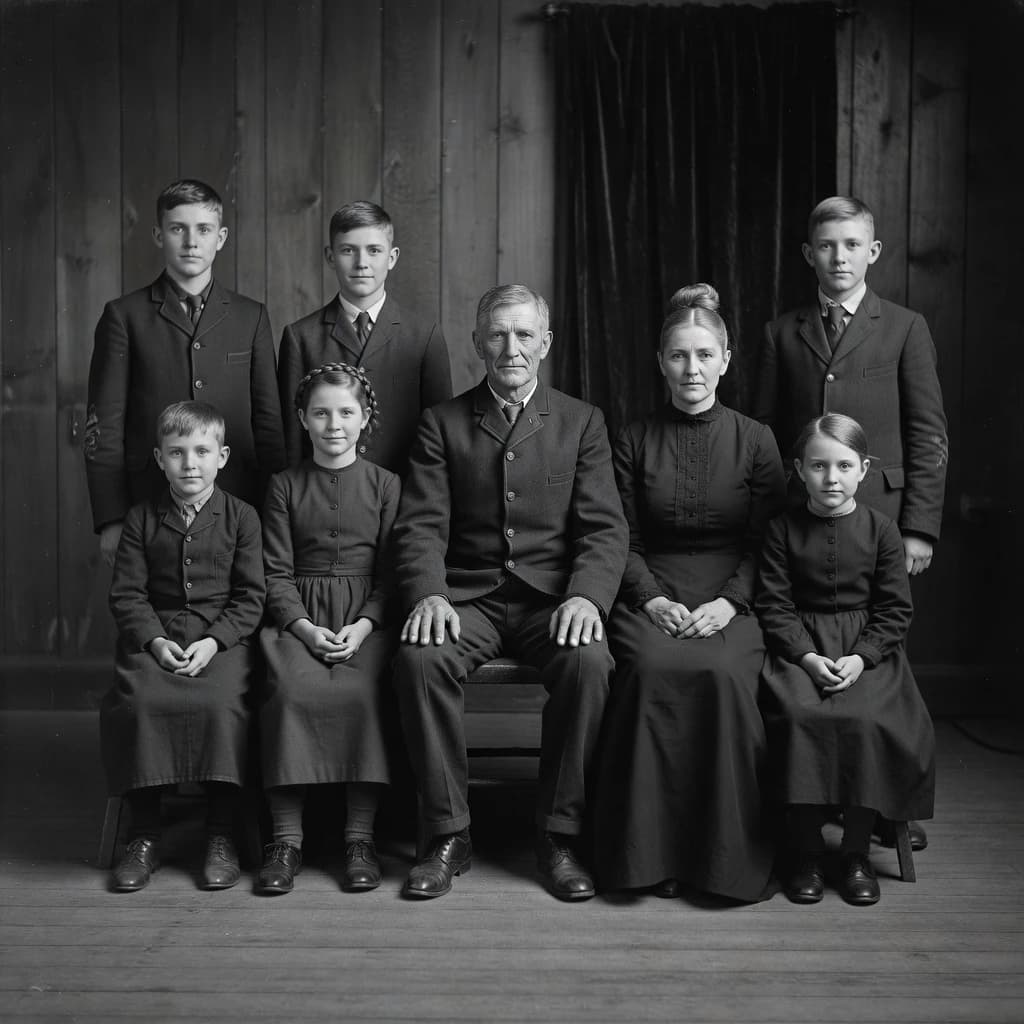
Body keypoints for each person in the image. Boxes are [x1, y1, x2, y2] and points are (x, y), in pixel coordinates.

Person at [391, 284, 627, 901]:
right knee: (419, 659)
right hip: (467, 598)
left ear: (545, 343)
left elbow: (604, 528)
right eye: (497, 334)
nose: (511, 348)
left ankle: (558, 833)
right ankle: (449, 832)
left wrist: (588, 598)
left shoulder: (582, 421)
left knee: (590, 660)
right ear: (477, 343)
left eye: (524, 335)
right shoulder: (441, 423)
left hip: (551, 599)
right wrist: (428, 594)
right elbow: (419, 525)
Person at [753, 195, 946, 851]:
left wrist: (918, 526)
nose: (839, 257)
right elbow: (766, 432)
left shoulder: (903, 328)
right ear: (810, 253)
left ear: (874, 252)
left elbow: (928, 434)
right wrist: (784, 503)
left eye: (851, 245)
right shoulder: (784, 331)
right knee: (806, 654)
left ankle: (886, 803)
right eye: (827, 245)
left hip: (882, 516)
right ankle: (810, 796)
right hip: (804, 515)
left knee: (879, 659)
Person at [593, 283, 786, 903]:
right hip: (650, 592)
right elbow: (618, 535)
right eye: (679, 356)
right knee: (649, 668)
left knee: (724, 672)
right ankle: (648, 857)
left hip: (735, 595)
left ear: (726, 360)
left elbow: (770, 543)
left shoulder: (757, 440)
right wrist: (651, 600)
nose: (692, 369)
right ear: (660, 362)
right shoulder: (632, 437)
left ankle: (719, 859)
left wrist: (730, 603)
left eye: (705, 355)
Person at [756, 413, 935, 906]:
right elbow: (774, 604)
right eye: (818, 466)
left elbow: (895, 610)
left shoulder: (881, 530)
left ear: (863, 469)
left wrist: (863, 657)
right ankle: (807, 851)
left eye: (843, 466)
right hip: (800, 648)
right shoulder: (780, 530)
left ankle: (855, 851)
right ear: (798, 469)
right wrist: (807, 657)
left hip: (868, 653)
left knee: (866, 718)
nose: (830, 479)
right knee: (798, 715)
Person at [100, 401, 265, 892]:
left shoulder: (242, 518)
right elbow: (127, 594)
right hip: (156, 638)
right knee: (139, 703)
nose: (189, 464)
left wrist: (215, 642)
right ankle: (144, 834)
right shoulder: (141, 519)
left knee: (222, 705)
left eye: (200, 451)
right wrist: (153, 640)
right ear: (159, 458)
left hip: (223, 641)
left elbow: (251, 597)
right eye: (177, 452)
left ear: (223, 456)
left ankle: (220, 833)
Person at [85, 179, 285, 566]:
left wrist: (274, 512)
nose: (191, 242)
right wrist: (110, 518)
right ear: (160, 235)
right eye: (179, 229)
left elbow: (269, 423)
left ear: (221, 237)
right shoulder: (124, 316)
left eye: (204, 229)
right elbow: (104, 425)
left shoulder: (250, 315)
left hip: (238, 501)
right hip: (150, 503)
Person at [256, 364, 401, 896]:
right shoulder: (283, 487)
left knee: (364, 693)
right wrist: (305, 628)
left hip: (367, 618)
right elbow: (273, 572)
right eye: (320, 412)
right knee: (290, 692)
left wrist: (364, 627)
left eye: (345, 413)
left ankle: (359, 838)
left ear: (365, 419)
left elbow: (393, 574)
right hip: (298, 618)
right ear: (302, 418)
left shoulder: (387, 485)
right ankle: (286, 839)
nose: (333, 424)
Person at [277, 200, 452, 475]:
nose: (361, 263)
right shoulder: (301, 337)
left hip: (404, 495)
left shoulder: (424, 335)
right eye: (348, 250)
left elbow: (440, 434)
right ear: (330, 256)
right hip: (323, 496)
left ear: (391, 257)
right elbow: (291, 435)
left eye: (374, 251)